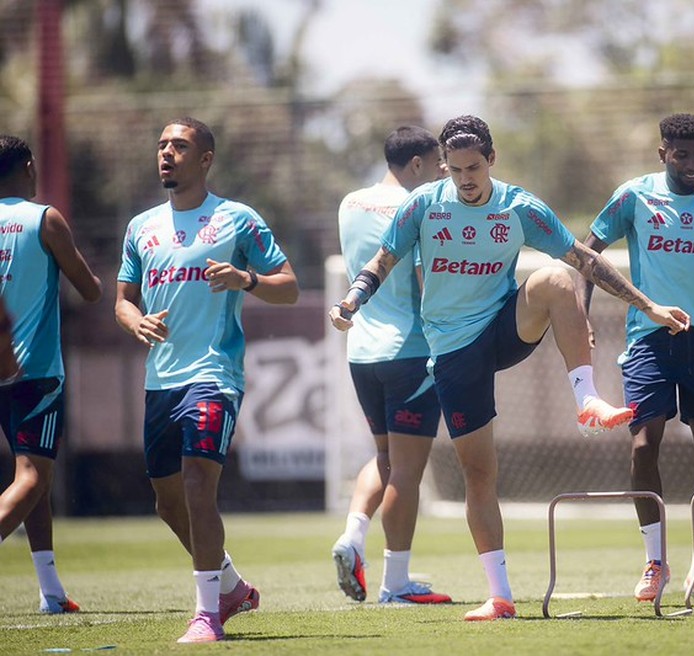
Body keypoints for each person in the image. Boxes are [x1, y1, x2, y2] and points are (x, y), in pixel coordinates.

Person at [330, 114, 690, 621]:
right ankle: (499, 596)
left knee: (556, 279)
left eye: (473, 167)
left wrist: (647, 305)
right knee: (481, 472)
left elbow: (584, 258)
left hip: (502, 329)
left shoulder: (520, 207)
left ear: (492, 160)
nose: (465, 179)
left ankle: (586, 397)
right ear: (442, 168)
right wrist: (351, 301)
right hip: (452, 351)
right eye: (454, 170)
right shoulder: (423, 206)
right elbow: (383, 261)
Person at [115, 118, 299, 643]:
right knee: (167, 503)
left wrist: (247, 279)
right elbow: (123, 301)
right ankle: (233, 586)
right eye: (162, 146)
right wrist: (136, 321)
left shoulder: (237, 219)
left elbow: (288, 287)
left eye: (180, 146)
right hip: (160, 380)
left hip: (214, 373)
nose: (167, 153)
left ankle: (207, 615)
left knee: (198, 482)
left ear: (206, 158)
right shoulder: (140, 227)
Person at [577, 113, 694, 607]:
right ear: (662, 153)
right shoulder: (634, 196)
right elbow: (586, 252)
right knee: (643, 447)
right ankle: (655, 561)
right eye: (680, 154)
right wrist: (580, 316)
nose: (690, 164)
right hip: (649, 338)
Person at [331, 126, 452, 605]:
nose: (445, 171)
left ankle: (352, 536)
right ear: (417, 164)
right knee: (406, 472)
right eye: (439, 163)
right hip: (410, 353)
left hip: (362, 353)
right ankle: (395, 583)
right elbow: (426, 283)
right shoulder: (418, 208)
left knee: (383, 458)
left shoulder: (349, 203)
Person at [0, 134, 102, 613]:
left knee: (32, 473)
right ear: (29, 166)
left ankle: (51, 592)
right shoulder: (44, 219)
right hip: (33, 373)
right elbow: (89, 289)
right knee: (32, 478)